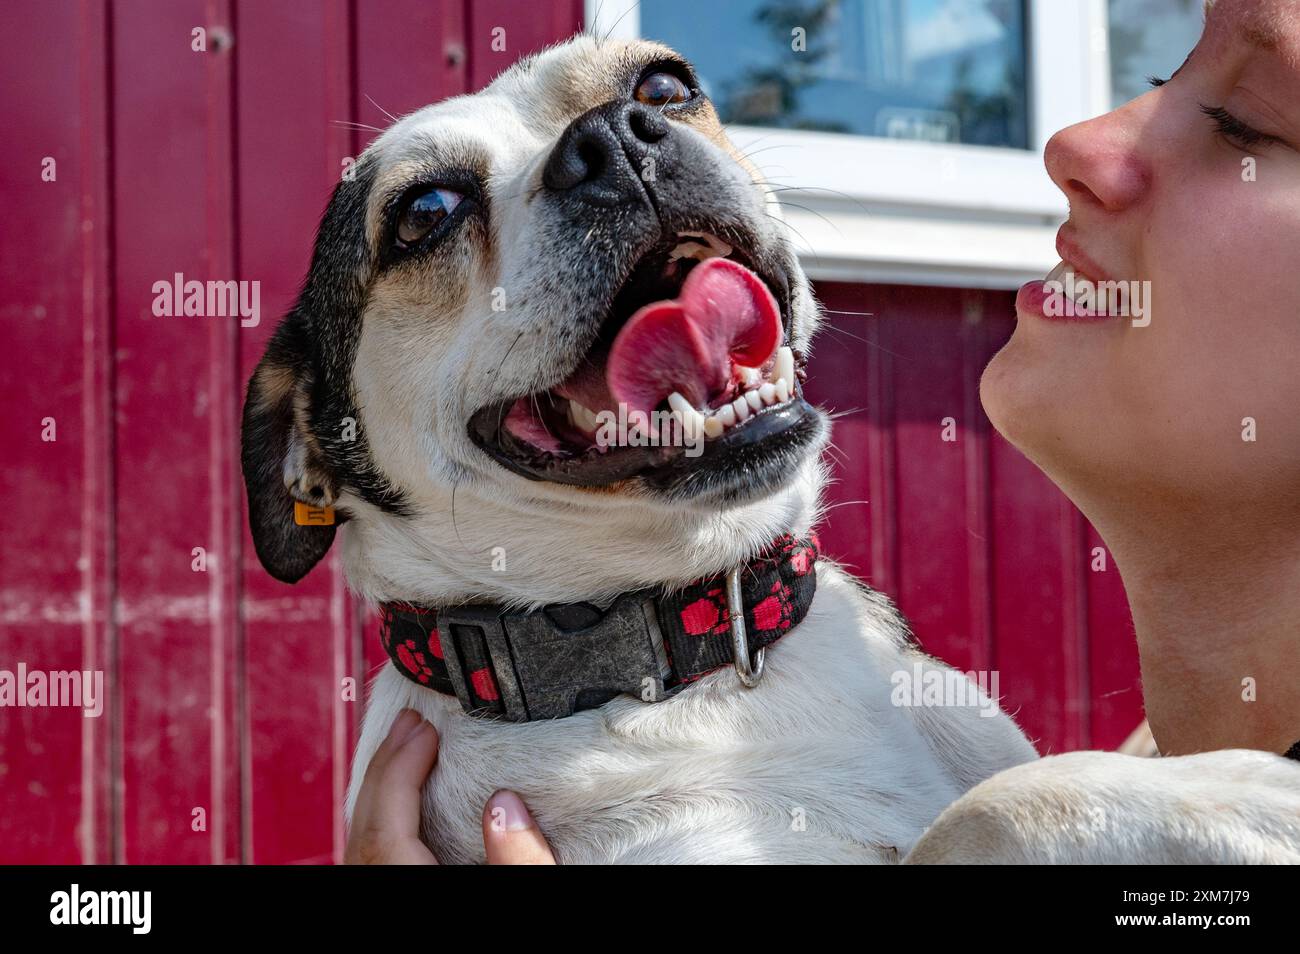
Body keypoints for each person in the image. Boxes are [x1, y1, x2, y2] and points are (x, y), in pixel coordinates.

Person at [346, 0, 1300, 864]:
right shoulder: (1140, 779)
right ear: (312, 454)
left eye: (1244, 123)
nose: (1076, 141)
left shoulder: (1059, 792)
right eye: (433, 214)